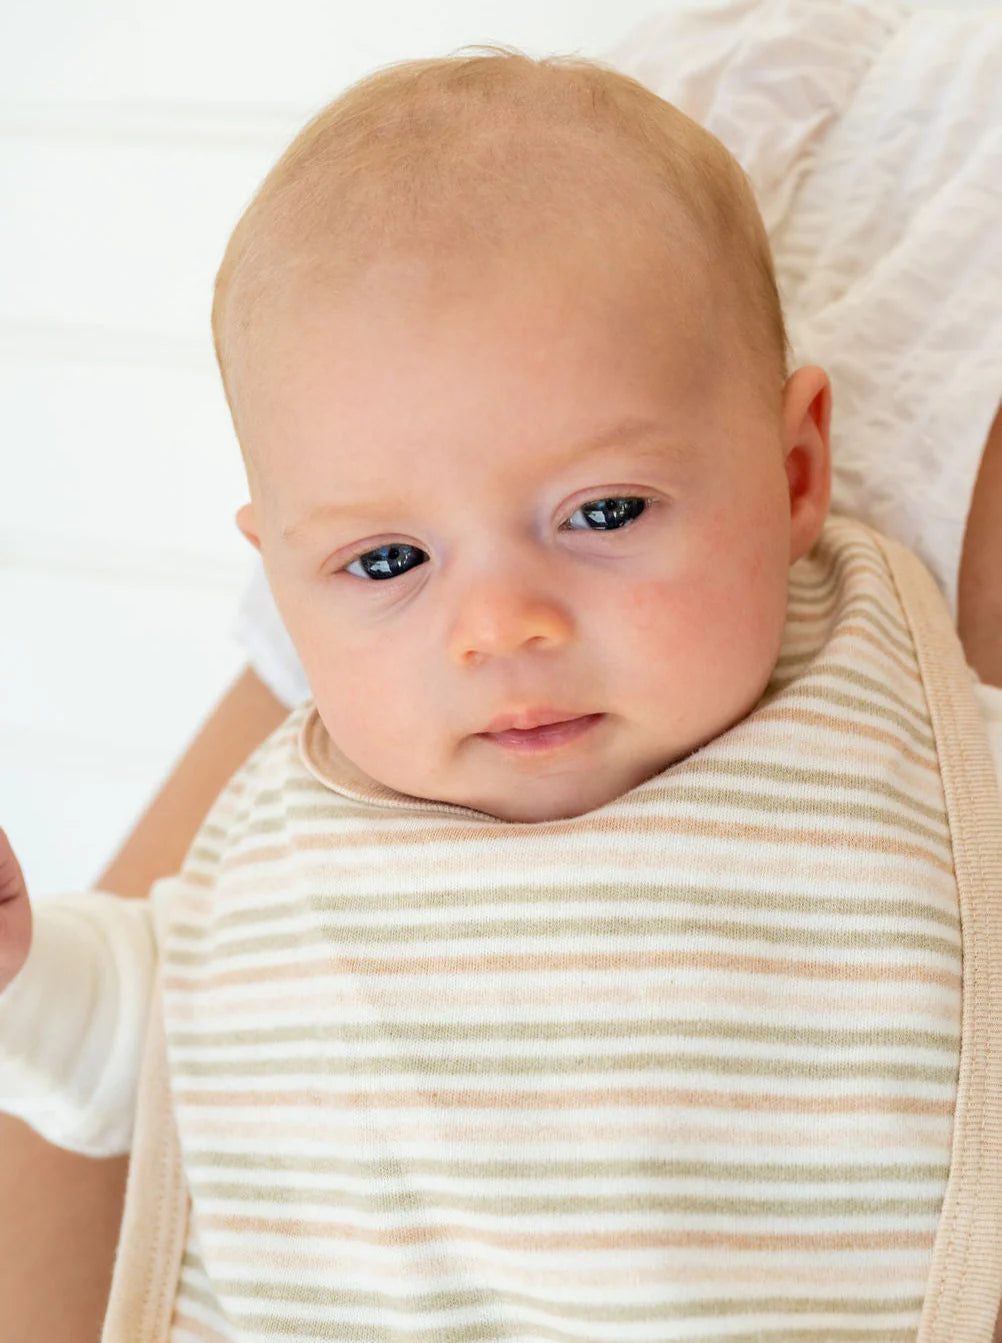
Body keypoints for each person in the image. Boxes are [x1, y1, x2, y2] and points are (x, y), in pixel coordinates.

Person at [2, 43, 1002, 1342]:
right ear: (284, 580)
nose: (497, 627)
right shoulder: (290, 867)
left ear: (796, 468)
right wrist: (32, 978)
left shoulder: (910, 751)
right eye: (385, 561)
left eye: (600, 512)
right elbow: (155, 1050)